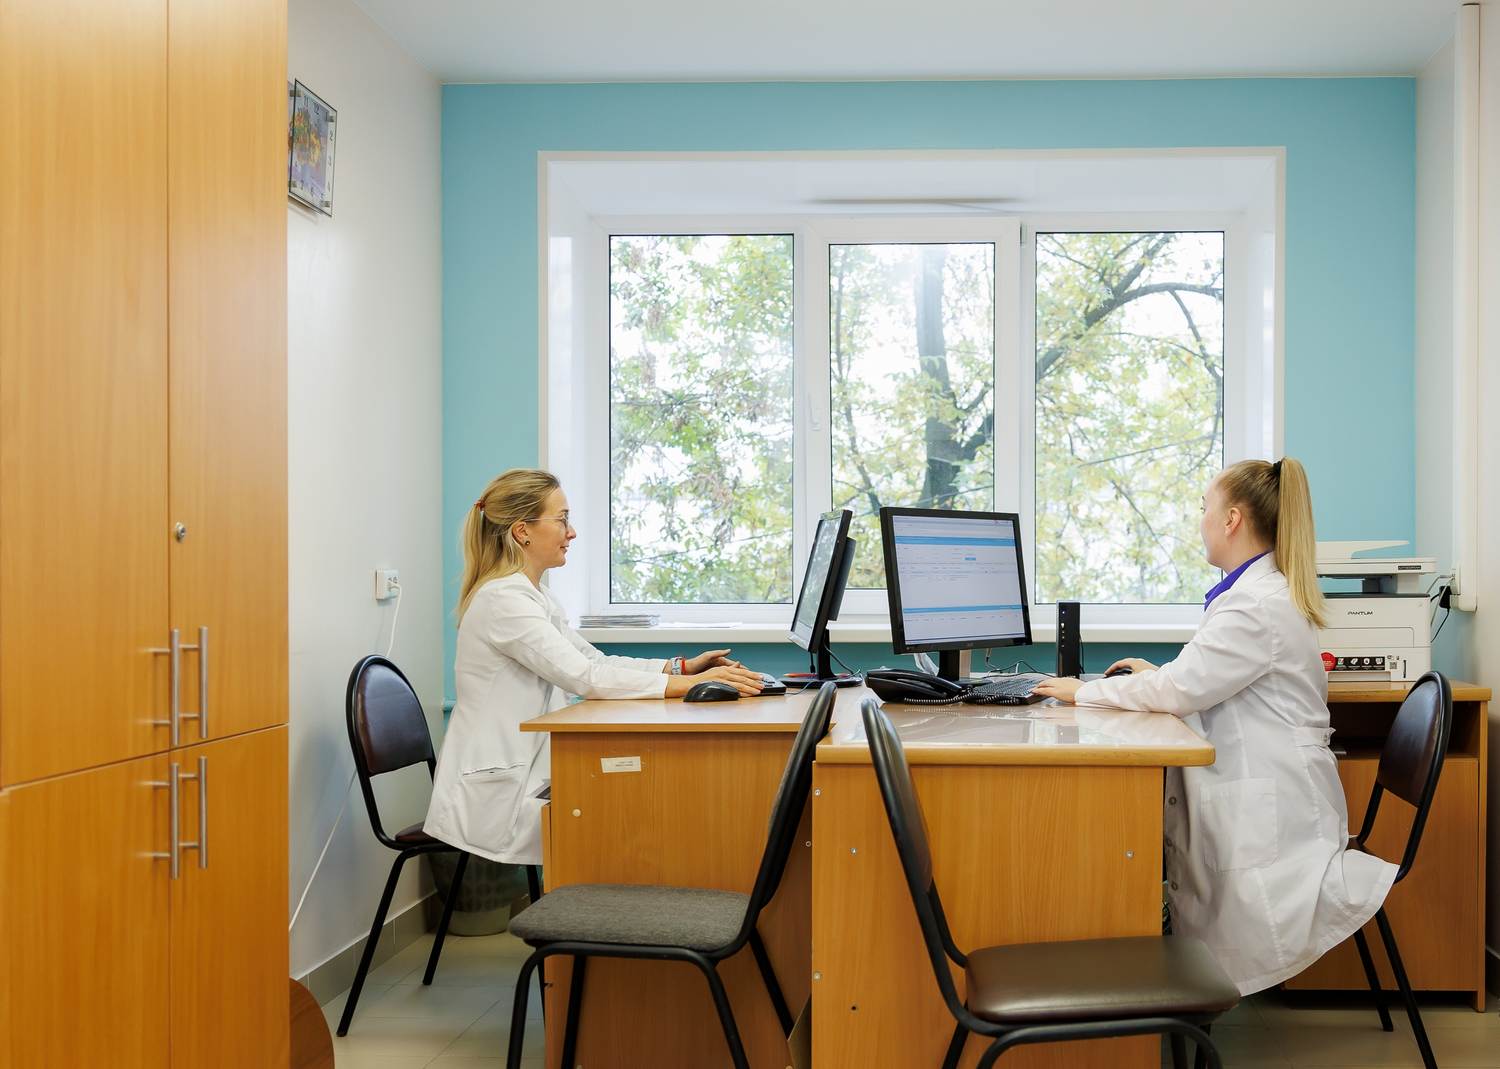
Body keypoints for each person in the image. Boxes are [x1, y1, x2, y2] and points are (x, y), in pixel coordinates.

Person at [1031, 458, 1396, 995]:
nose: (1199, 520)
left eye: (1204, 508)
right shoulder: (1252, 595)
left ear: (1231, 520)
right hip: (1277, 782)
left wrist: (1081, 691)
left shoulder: (1255, 605)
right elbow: (1201, 680)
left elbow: (1181, 691)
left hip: (1277, 810)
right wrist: (1157, 676)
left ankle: (1171, 992)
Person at [425, 468, 765, 865]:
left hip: (528, 766)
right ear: (523, 531)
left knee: (640, 803)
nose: (571, 533)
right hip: (499, 790)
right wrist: (691, 687)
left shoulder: (534, 596)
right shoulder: (504, 600)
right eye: (562, 519)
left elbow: (593, 661)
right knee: (635, 810)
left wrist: (681, 668)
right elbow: (584, 678)